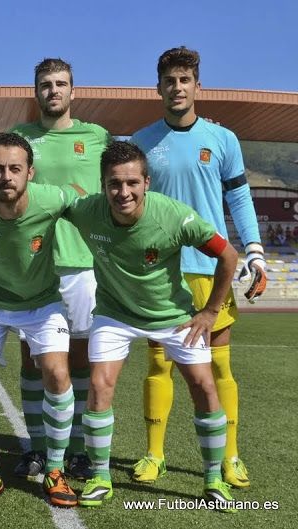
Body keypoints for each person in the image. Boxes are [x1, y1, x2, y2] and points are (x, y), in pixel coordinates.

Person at [64, 141, 239, 511]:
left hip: (172, 317)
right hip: (114, 314)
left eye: (131, 183)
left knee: (205, 387)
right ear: (103, 184)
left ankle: (212, 478)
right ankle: (99, 476)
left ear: (147, 182)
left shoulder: (174, 216)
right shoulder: (88, 211)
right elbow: (51, 199)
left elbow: (227, 255)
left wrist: (209, 312)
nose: (123, 192)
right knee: (99, 384)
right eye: (114, 183)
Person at [131, 47, 266, 488]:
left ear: (197, 86)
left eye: (184, 79)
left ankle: (230, 457)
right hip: (159, 271)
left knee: (220, 368)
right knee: (159, 367)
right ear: (159, 88)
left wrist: (255, 250)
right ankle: (154, 454)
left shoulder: (222, 139)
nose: (177, 87)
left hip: (211, 270)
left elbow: (239, 199)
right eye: (169, 80)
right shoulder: (140, 142)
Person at [0, 133, 82, 506]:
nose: (5, 177)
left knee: (58, 372)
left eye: (14, 169)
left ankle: (55, 470)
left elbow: (86, 202)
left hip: (42, 302)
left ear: (30, 172)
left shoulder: (51, 198)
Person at [9, 58, 113, 481]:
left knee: (82, 362)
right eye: (45, 84)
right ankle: (36, 447)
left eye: (60, 84)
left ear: (74, 90)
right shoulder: (19, 140)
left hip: (83, 264)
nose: (53, 90)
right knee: (33, 360)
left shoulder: (97, 137)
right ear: (34, 92)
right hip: (33, 266)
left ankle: (76, 449)